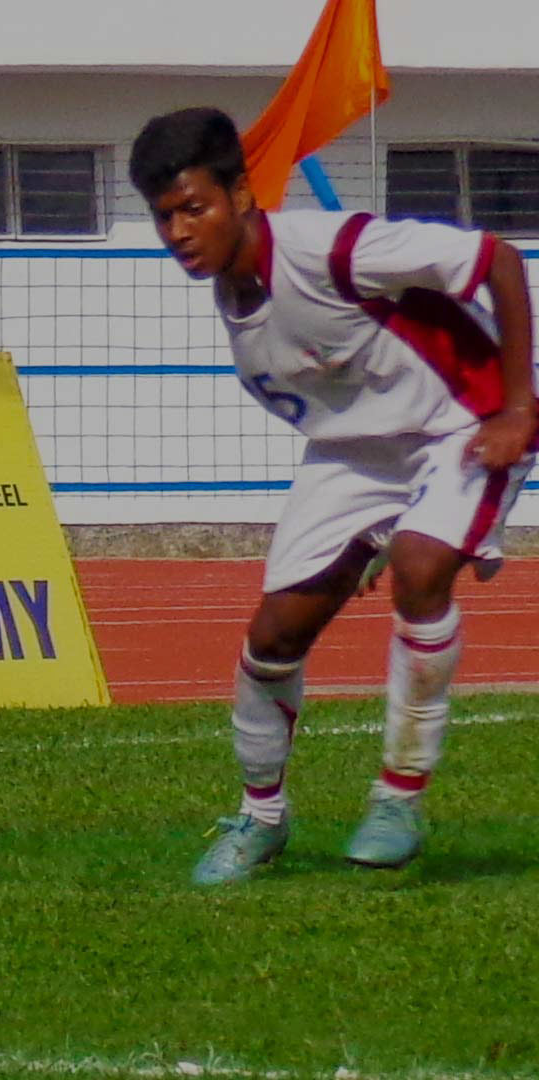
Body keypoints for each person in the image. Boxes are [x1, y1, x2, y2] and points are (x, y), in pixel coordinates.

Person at [128, 107, 535, 885]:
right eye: (164, 217)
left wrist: (518, 408)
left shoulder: (331, 247)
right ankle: (260, 819)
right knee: (271, 638)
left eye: (194, 207)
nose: (180, 230)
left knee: (419, 568)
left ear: (241, 196)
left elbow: (497, 260)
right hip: (353, 456)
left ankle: (398, 798)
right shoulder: (234, 293)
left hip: (464, 420)